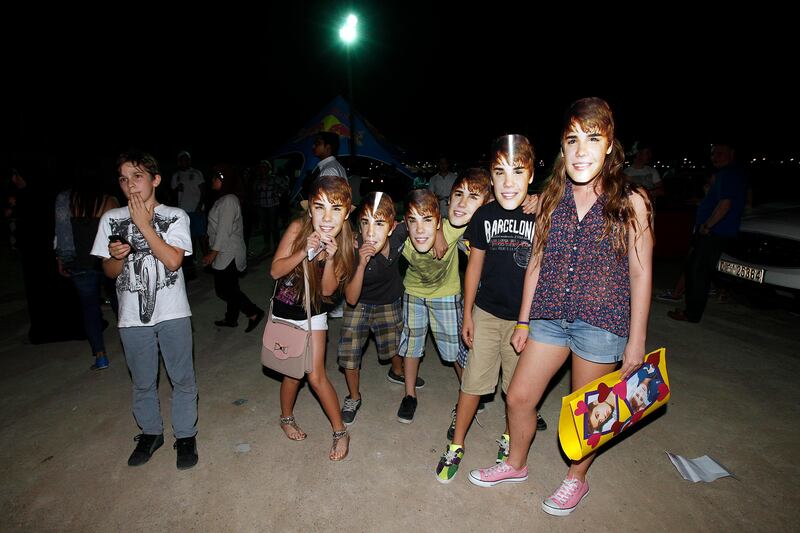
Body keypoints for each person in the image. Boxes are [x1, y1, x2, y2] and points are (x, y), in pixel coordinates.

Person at [468, 98, 654, 517]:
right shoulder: (552, 196)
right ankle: (516, 464)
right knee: (517, 397)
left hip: (600, 323)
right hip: (549, 318)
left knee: (588, 412)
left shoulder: (632, 199)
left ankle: (577, 479)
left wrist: (636, 341)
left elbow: (641, 273)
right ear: (562, 147)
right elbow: (536, 262)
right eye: (572, 140)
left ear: (609, 145)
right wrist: (523, 320)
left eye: (593, 138)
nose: (581, 150)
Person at [435, 135, 545, 484]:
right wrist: (467, 313)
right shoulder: (483, 215)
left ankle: (510, 442)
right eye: (499, 173)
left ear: (531, 175)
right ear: (491, 178)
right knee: (471, 384)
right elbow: (474, 268)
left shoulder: (542, 213)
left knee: (516, 392)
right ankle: (456, 445)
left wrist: (545, 202)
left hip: (525, 320)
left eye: (518, 172)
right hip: (485, 312)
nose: (508, 182)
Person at [91, 151, 199, 470]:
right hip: (130, 316)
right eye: (124, 179)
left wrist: (143, 225)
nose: (130, 185)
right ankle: (151, 433)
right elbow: (110, 273)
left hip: (173, 312)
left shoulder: (176, 215)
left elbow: (173, 261)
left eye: (137, 176)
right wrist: (118, 255)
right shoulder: (110, 219)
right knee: (142, 381)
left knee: (182, 378)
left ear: (155, 179)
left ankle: (185, 436)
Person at [269, 175, 355, 461]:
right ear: (309, 210)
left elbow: (329, 291)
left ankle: (340, 432)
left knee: (316, 376)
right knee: (291, 374)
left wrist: (329, 258)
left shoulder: (345, 243)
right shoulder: (297, 228)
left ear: (347, 213)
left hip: (314, 315)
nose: (327, 217)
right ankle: (285, 418)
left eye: (336, 209)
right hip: (284, 311)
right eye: (320, 207)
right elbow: (275, 271)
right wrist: (304, 252)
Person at [396, 182, 489, 424]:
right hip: (414, 293)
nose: (419, 229)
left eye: (427, 220)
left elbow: (479, 210)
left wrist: (439, 232)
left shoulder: (451, 229)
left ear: (438, 221)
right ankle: (409, 395)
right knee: (411, 345)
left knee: (455, 350)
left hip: (446, 294)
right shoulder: (400, 238)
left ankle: (468, 392)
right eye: (412, 221)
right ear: (405, 223)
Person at [336, 191, 425, 426]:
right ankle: (354, 397)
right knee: (350, 352)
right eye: (365, 223)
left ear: (392, 227)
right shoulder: (353, 249)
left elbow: (427, 219)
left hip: (390, 300)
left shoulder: (400, 235)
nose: (371, 232)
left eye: (379, 223)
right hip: (360, 303)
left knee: (394, 344)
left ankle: (397, 372)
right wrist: (361, 264)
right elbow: (351, 298)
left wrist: (438, 237)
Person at [667, 142, 746, 323]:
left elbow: (725, 204)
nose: (715, 157)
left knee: (698, 272)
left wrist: (707, 226)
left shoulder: (729, 174)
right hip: (716, 231)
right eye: (713, 154)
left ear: (732, 153)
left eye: (720, 153)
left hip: (714, 232)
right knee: (697, 268)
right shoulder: (727, 174)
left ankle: (692, 313)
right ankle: (692, 308)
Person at [55, 174, 119, 370]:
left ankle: (100, 356)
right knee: (119, 304)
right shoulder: (109, 200)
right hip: (107, 260)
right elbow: (120, 234)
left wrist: (62, 258)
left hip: (81, 262)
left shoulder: (67, 200)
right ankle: (130, 345)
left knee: (90, 309)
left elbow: (62, 232)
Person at [203, 166, 265, 333]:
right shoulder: (223, 199)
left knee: (223, 290)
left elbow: (224, 231)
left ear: (225, 181)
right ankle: (231, 318)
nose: (212, 181)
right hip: (224, 250)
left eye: (216, 178)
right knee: (231, 288)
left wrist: (212, 254)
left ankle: (254, 312)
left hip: (228, 251)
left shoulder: (229, 200)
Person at [171, 150, 206, 278]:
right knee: (189, 238)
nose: (183, 161)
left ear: (189, 160)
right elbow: (172, 193)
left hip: (197, 210)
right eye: (181, 159)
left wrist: (200, 205)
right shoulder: (176, 176)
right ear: (178, 161)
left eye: (186, 159)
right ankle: (193, 262)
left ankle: (207, 260)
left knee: (202, 235)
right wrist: (177, 189)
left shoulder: (196, 173)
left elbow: (203, 191)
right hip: (183, 211)